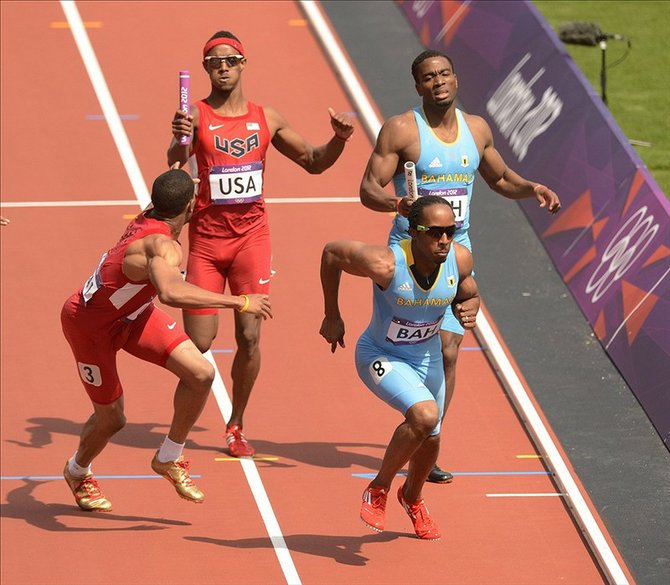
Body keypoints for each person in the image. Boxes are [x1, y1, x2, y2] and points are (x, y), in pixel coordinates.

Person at [359, 49, 560, 484]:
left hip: (457, 252)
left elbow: (500, 178)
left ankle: (428, 441)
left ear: (456, 79)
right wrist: (399, 203)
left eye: (445, 73)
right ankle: (412, 411)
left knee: (450, 350)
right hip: (410, 257)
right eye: (429, 77)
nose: (438, 82)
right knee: (408, 344)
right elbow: (367, 189)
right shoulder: (400, 131)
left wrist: (533, 188)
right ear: (418, 86)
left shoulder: (476, 129)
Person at [168, 30, 354, 458]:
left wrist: (340, 139)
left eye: (230, 60)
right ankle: (179, 429)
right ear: (206, 69)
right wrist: (178, 139)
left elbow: (313, 162)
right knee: (198, 346)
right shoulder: (194, 117)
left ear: (243, 64)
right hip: (207, 244)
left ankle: (236, 424)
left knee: (250, 337)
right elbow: (174, 170)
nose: (223, 68)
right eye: (215, 62)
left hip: (252, 240)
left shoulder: (265, 118)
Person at [60, 167, 272, 512]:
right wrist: (239, 301)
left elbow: (170, 186)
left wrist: (180, 169)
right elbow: (172, 293)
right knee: (112, 418)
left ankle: (169, 457)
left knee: (201, 373)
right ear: (190, 207)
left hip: (132, 315)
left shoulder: (151, 212)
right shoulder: (163, 246)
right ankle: (77, 470)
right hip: (89, 326)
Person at [319, 196, 479, 540]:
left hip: (427, 357)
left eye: (450, 232)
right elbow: (331, 253)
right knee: (423, 416)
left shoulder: (459, 258)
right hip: (380, 354)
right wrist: (332, 314)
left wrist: (471, 308)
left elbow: (468, 292)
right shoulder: (385, 264)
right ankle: (378, 489)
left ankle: (412, 497)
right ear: (413, 232)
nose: (445, 241)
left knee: (432, 436)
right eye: (435, 233)